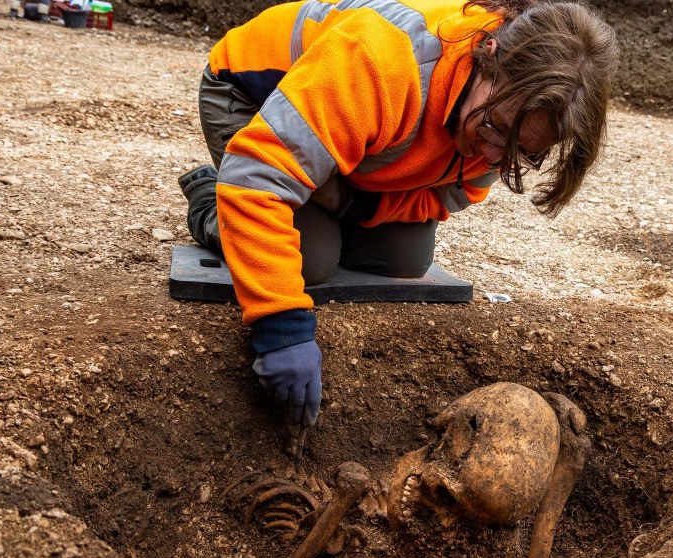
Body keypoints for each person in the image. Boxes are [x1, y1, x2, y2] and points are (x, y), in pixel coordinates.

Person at [179, 0, 618, 428]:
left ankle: (323, 191)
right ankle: (209, 199)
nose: (492, 156)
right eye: (494, 128)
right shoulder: (384, 60)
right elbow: (260, 176)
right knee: (310, 261)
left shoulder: (509, 122)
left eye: (524, 152)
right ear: (488, 56)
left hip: (354, 130)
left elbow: (446, 196)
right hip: (252, 91)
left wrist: (357, 205)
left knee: (404, 260)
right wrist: (280, 326)